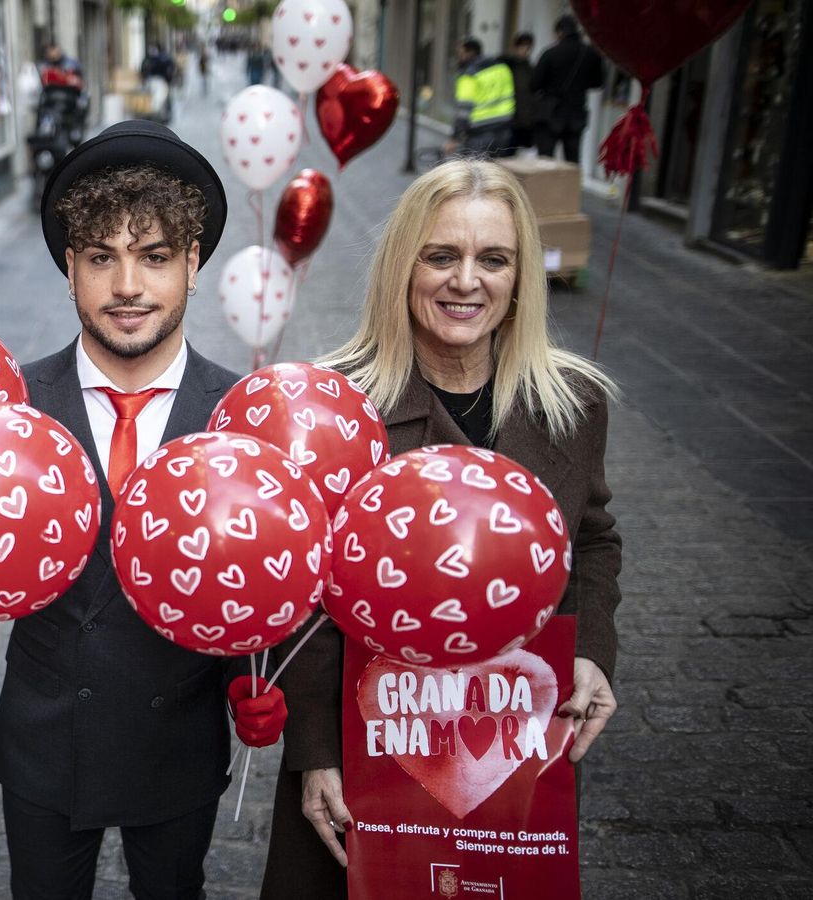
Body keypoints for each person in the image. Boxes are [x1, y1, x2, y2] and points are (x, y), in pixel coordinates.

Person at [257, 158, 623, 899]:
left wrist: (590, 651)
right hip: (370, 748)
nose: (466, 281)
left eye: (493, 259)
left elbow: (589, 540)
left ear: (521, 277)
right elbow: (302, 597)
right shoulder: (336, 409)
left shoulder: (571, 403)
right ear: (402, 266)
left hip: (509, 752)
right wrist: (315, 752)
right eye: (441, 256)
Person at [0, 120, 289, 899]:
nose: (127, 286)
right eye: (102, 257)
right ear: (70, 269)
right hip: (43, 744)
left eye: (155, 256)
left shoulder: (239, 415)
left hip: (177, 742)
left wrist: (253, 673)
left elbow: (265, 564)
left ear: (193, 265)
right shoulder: (11, 408)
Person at [532, 13, 607, 163]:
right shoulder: (591, 54)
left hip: (551, 112)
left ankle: (545, 187)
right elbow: (598, 83)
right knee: (572, 161)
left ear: (559, 32)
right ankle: (569, 187)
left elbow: (534, 84)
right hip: (576, 113)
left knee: (544, 162)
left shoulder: (550, 53)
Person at [443, 37, 516, 158]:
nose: (458, 57)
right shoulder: (502, 68)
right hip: (504, 130)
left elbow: (463, 110)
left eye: (460, 53)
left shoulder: (469, 74)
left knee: (476, 172)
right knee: (495, 172)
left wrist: (454, 138)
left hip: (480, 133)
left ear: (470, 52)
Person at [504, 32, 536, 157]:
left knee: (517, 155)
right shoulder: (507, 65)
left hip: (523, 120)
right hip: (508, 118)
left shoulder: (530, 69)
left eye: (527, 48)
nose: (524, 50)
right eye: (522, 47)